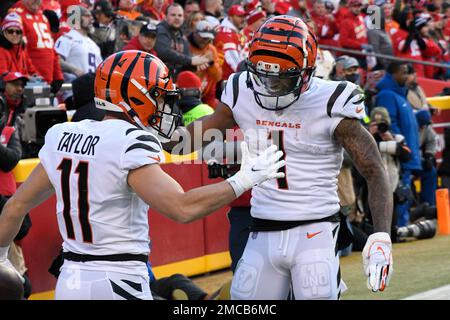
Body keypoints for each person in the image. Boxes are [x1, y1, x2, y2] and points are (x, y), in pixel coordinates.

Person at [0, 50, 285, 300]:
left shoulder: (64, 134)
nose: (164, 106)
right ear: (134, 95)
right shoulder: (130, 141)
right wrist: (244, 179)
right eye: (158, 96)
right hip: (119, 280)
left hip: (70, 280)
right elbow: (182, 207)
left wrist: (1, 258)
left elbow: (15, 207)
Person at [178, 16, 394, 299]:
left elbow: (374, 169)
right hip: (262, 229)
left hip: (315, 231)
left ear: (307, 71)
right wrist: (155, 121)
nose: (270, 85)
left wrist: (380, 236)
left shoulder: (330, 100)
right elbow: (186, 143)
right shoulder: (241, 89)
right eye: (263, 75)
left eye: (282, 77)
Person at [375, 61, 422, 227]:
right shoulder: (387, 95)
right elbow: (390, 125)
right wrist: (402, 147)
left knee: (406, 192)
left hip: (407, 153)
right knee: (399, 192)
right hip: (397, 154)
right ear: (393, 74)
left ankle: (402, 226)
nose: (406, 75)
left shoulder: (401, 94)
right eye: (403, 72)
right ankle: (397, 228)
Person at [9, 0, 63, 92]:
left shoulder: (43, 17)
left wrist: (58, 76)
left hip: (46, 82)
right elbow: (20, 52)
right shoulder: (15, 16)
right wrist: (35, 75)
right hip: (28, 82)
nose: (37, 1)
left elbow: (51, 49)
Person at [154, 3, 210, 79]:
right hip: (158, 77)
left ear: (184, 18)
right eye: (173, 15)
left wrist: (194, 65)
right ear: (165, 17)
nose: (177, 18)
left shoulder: (182, 36)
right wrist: (191, 60)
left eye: (180, 15)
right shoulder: (160, 30)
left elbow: (185, 61)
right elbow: (164, 52)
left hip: (174, 80)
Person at [54, 6, 103, 80]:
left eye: (91, 16)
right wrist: (74, 70)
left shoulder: (94, 45)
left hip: (92, 88)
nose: (91, 19)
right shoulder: (67, 38)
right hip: (72, 88)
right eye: (87, 16)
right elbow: (55, 60)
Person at [187, 20, 222, 107]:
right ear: (195, 33)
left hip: (206, 95)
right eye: (203, 37)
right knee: (193, 119)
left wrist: (211, 64)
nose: (205, 41)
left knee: (208, 117)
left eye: (208, 38)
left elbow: (218, 77)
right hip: (186, 94)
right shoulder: (185, 45)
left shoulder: (211, 49)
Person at [0, 12, 40, 77]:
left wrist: (37, 77)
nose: (14, 34)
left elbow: (32, 70)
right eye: (11, 31)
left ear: (21, 34)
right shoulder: (1, 51)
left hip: (21, 86)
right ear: (4, 32)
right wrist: (25, 77)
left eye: (18, 32)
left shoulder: (23, 49)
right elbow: (3, 75)